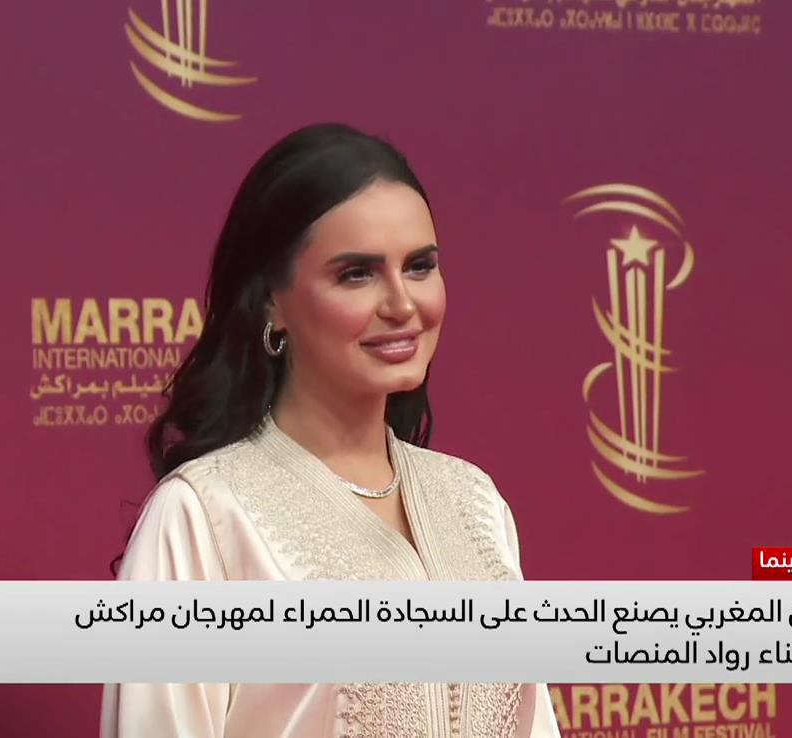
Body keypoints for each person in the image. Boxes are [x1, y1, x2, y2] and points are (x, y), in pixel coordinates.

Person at [100, 122, 562, 738]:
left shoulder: (473, 502)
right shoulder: (203, 518)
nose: (402, 304)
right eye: (357, 274)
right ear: (272, 302)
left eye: (419, 266)